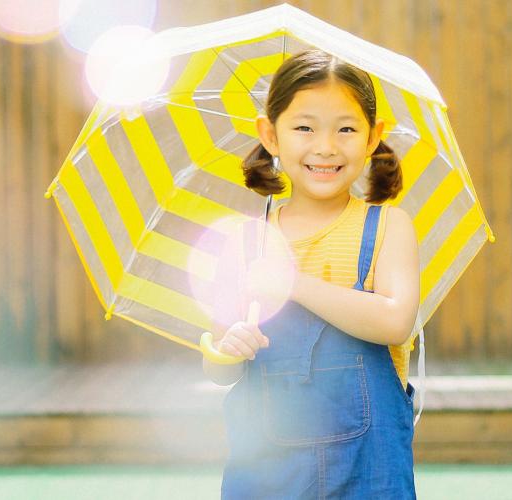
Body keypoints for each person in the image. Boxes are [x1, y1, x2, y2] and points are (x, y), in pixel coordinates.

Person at [202, 49, 420, 499]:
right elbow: (219, 367)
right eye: (304, 127)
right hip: (266, 475)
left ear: (373, 136)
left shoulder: (386, 227)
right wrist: (228, 347)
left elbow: (395, 321)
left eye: (346, 128)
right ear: (271, 135)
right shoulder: (246, 243)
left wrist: (292, 284)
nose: (325, 146)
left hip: (368, 473)